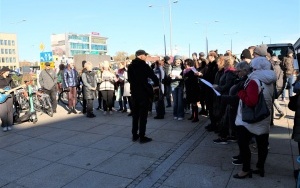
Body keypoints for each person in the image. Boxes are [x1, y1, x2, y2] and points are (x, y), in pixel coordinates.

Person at [233, 56, 276, 179]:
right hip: (264, 115)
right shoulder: (270, 79)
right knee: (262, 145)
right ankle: (260, 167)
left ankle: (246, 169)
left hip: (249, 119)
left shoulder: (254, 80)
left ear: (255, 68)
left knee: (243, 143)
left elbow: (251, 101)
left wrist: (241, 93)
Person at [128, 49, 159, 143]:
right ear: (141, 56)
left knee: (135, 115)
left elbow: (129, 79)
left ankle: (134, 135)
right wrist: (155, 85)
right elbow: (153, 76)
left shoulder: (130, 66)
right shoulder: (144, 65)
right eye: (145, 55)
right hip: (144, 93)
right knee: (143, 116)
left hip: (134, 93)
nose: (146, 57)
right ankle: (142, 136)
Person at [0, 67, 15, 131]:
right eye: (8, 71)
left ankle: (9, 124)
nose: (9, 73)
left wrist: (15, 89)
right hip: (1, 96)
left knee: (9, 110)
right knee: (3, 111)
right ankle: (4, 125)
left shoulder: (10, 78)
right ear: (3, 72)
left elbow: (13, 86)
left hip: (9, 95)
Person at [170, 56, 184, 120]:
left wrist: (180, 77)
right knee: (175, 101)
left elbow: (184, 76)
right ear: (174, 61)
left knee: (180, 101)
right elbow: (168, 76)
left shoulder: (183, 68)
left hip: (180, 85)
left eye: (179, 60)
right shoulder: (171, 67)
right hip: (173, 85)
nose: (178, 62)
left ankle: (180, 115)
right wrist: (169, 75)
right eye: (176, 60)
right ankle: (175, 114)